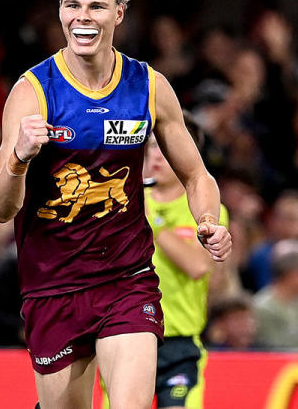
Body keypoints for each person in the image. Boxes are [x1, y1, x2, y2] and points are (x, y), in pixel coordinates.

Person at [0, 0, 232, 409]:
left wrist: (209, 221)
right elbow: (0, 208)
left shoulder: (149, 87)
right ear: (60, 12)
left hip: (127, 278)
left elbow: (197, 174)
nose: (83, 16)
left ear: (119, 13)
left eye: (96, 6)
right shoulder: (32, 92)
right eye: (72, 5)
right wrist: (20, 158)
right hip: (52, 286)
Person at [102, 132, 230, 408]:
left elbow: (197, 265)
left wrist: (152, 219)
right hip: (126, 336)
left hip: (178, 341)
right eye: (152, 147)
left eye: (166, 148)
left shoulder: (205, 209)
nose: (157, 155)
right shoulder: (119, 198)